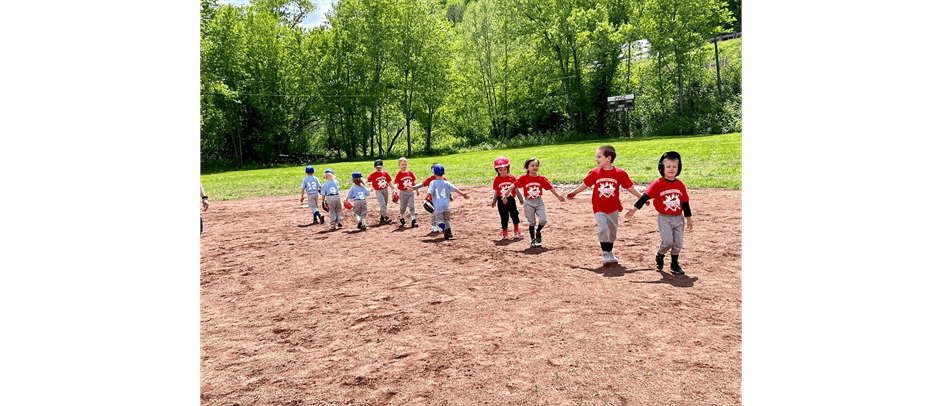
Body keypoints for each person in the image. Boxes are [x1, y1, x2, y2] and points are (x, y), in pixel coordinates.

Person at [566, 145, 647, 265]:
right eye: (596, 157)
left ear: (608, 158)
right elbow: (585, 184)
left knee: (612, 231)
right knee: (603, 229)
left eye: (599, 157)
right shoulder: (595, 172)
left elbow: (629, 187)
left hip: (614, 207)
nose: (596, 159)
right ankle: (605, 253)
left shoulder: (620, 173)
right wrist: (575, 192)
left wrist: (641, 197)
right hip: (599, 207)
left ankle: (610, 252)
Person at [626, 151, 694, 275]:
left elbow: (685, 202)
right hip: (664, 218)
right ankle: (660, 254)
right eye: (668, 166)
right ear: (662, 168)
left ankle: (674, 264)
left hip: (678, 218)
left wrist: (688, 218)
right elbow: (645, 197)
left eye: (674, 166)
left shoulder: (680, 185)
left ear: (679, 168)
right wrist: (634, 208)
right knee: (668, 242)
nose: (671, 169)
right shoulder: (658, 184)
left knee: (678, 243)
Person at [502, 157, 565, 247]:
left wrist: (558, 196)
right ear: (527, 168)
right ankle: (533, 240)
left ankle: (538, 231)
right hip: (528, 202)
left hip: (539, 202)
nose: (535, 167)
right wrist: (505, 195)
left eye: (536, 165)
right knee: (531, 222)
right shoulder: (524, 178)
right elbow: (513, 185)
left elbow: (550, 187)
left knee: (543, 220)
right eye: (532, 166)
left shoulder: (541, 178)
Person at [427, 164, 469, 239]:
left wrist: (425, 199)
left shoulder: (432, 182)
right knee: (447, 219)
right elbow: (455, 189)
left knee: (438, 221)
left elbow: (429, 192)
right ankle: (449, 232)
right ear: (443, 173)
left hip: (438, 206)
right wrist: (463, 194)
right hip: (446, 205)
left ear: (434, 173)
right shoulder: (446, 183)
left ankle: (444, 228)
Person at [408, 162, 449, 233]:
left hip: (434, 201)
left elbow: (422, 185)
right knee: (439, 214)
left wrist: (414, 188)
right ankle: (441, 227)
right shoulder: (441, 179)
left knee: (433, 214)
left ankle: (436, 227)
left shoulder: (435, 179)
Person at [490, 156, 525, 239]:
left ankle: (516, 229)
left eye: (504, 169)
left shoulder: (512, 178)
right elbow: (496, 191)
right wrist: (494, 201)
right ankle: (505, 231)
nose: (503, 171)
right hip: (501, 200)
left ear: (508, 168)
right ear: (497, 170)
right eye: (500, 170)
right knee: (504, 216)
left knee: (515, 214)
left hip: (511, 199)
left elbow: (516, 189)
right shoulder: (497, 179)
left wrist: (521, 198)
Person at [393, 157, 418, 227]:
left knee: (411, 206)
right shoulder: (399, 174)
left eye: (405, 164)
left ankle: (413, 220)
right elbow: (397, 183)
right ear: (399, 165)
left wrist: (417, 190)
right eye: (402, 164)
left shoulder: (410, 173)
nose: (404, 166)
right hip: (403, 193)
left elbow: (414, 182)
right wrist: (395, 187)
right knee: (403, 207)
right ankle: (401, 217)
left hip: (410, 192)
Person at [367, 159, 393, 225]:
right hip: (378, 191)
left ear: (382, 166)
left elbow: (389, 181)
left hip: (385, 190)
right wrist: (360, 182)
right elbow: (367, 179)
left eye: (380, 167)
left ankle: (382, 217)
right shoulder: (373, 174)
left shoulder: (385, 174)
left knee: (385, 204)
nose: (378, 168)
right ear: (375, 167)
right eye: (377, 167)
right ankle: (386, 217)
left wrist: (392, 187)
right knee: (382, 204)